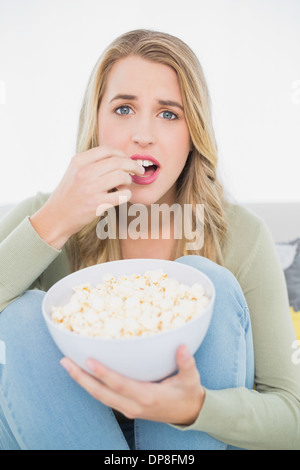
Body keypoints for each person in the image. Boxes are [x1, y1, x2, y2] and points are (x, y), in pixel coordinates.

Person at [0, 29, 299, 450]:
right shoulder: (44, 215)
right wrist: (54, 223)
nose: (143, 134)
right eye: (123, 109)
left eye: (168, 114)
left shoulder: (241, 236)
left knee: (201, 276)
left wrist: (197, 408)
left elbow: (293, 415)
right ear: (96, 122)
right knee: (22, 314)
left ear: (193, 133)